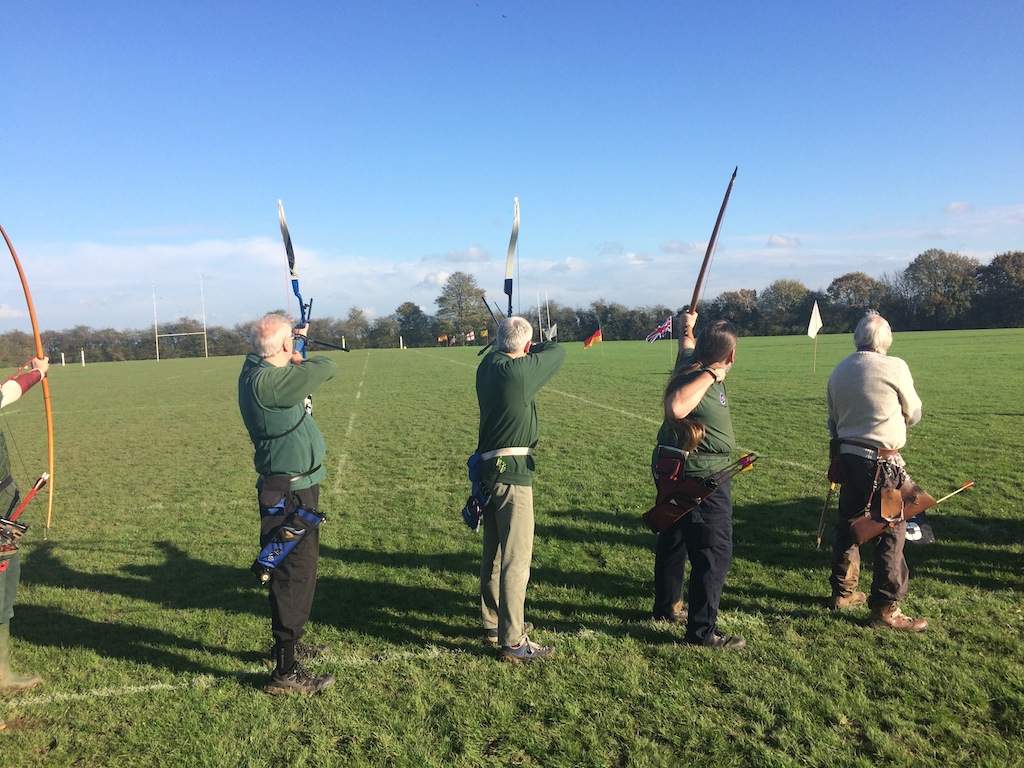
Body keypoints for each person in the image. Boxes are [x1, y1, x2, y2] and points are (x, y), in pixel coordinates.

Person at [238, 314, 338, 694]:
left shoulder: (255, 367)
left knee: (299, 572)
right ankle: (285, 672)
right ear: (281, 348)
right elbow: (328, 365)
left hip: (293, 489)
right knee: (293, 576)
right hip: (289, 496)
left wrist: (289, 340)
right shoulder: (273, 384)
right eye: (289, 344)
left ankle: (291, 646)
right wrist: (296, 354)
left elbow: (259, 349)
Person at [826, 311, 927, 631]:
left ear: (858, 337)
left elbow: (833, 420)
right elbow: (913, 412)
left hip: (849, 459)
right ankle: (885, 609)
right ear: (886, 340)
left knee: (849, 524)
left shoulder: (840, 368)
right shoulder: (895, 366)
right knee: (891, 532)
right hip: (883, 464)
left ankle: (843, 592)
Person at [652, 312, 745, 649]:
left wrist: (688, 326)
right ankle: (702, 631)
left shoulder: (690, 359)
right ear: (730, 356)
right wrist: (710, 373)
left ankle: (667, 606)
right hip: (701, 477)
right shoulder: (701, 373)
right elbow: (676, 406)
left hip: (680, 470)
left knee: (674, 538)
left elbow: (687, 344)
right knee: (713, 551)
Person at [476, 316, 565, 663]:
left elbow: (511, 349)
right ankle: (513, 640)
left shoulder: (489, 364)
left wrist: (518, 345)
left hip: (488, 470)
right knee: (516, 561)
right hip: (512, 475)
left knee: (495, 556)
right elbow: (557, 352)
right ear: (526, 348)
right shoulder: (519, 372)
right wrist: (534, 347)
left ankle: (493, 622)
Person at [0, 356, 49, 710]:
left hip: (4, 508)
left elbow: (7, 391)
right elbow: (10, 391)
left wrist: (35, 371)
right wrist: (37, 373)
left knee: (6, 585)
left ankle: (1, 672)